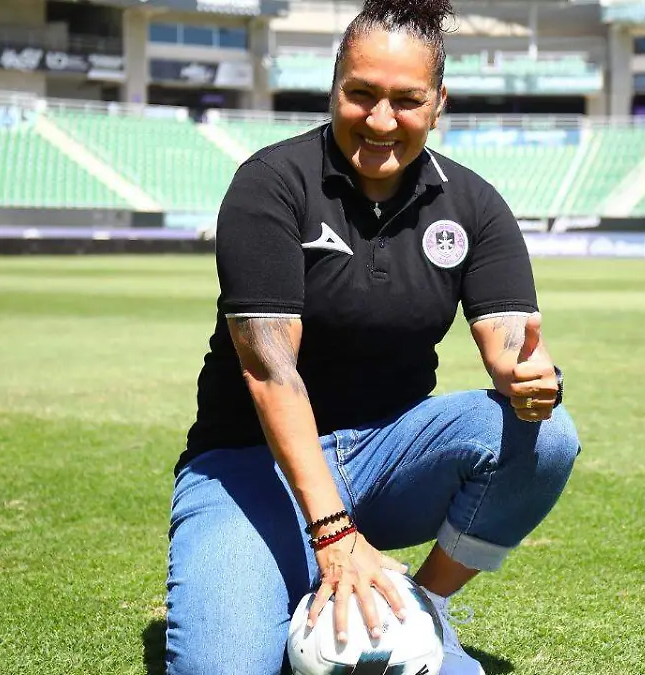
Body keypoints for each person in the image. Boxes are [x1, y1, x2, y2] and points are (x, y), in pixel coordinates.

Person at [164, 0, 581, 672]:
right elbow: (271, 373)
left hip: (388, 458)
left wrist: (532, 382)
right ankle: (304, 565)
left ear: (439, 102)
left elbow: (511, 347)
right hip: (250, 465)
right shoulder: (271, 185)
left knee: (552, 432)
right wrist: (333, 533)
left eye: (407, 100)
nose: (382, 120)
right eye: (361, 94)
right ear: (334, 86)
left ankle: (424, 604)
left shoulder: (473, 204)